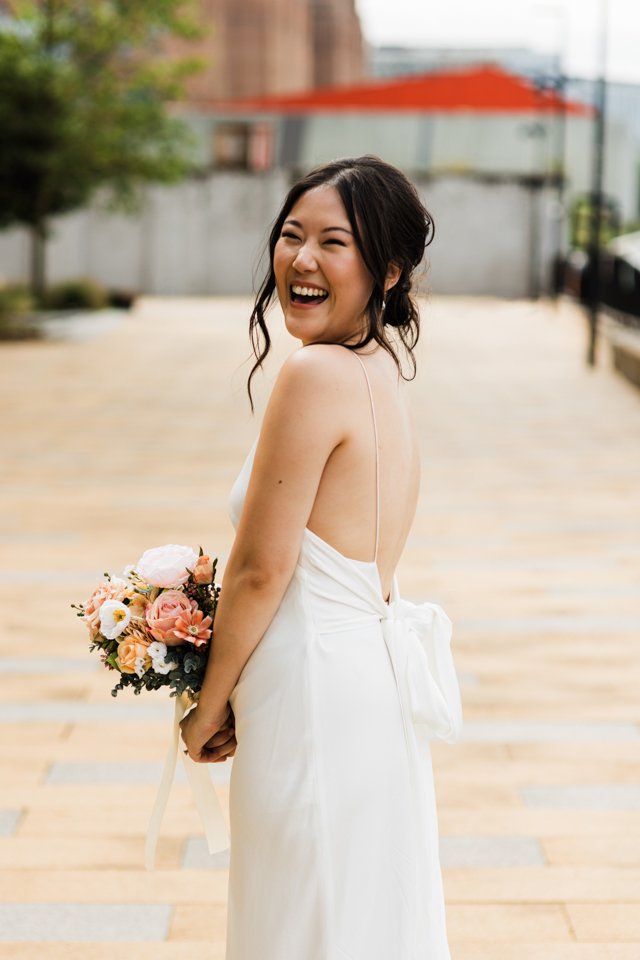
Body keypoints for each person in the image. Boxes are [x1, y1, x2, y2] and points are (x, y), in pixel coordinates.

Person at [180, 155, 462, 959]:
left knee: (301, 921)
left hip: (309, 691)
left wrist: (207, 705)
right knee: (354, 916)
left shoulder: (311, 373)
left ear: (388, 269)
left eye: (333, 242)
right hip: (365, 689)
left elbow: (262, 569)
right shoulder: (378, 372)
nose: (301, 260)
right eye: (292, 235)